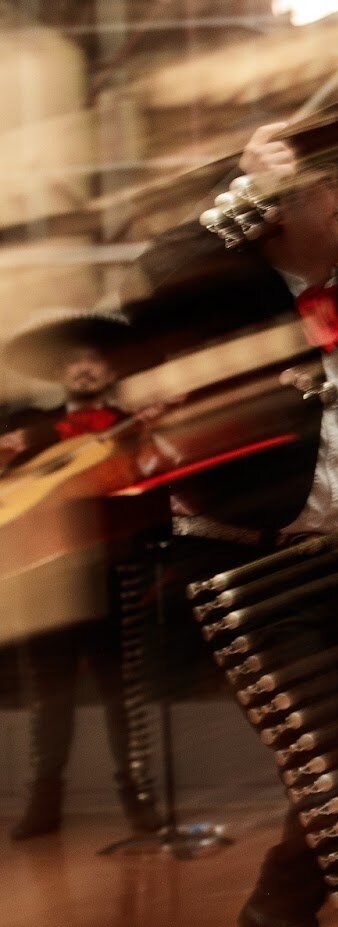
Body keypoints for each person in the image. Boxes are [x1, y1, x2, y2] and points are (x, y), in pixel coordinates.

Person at [124, 85, 338, 927]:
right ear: (280, 212)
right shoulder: (226, 297)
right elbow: (157, 269)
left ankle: (280, 906)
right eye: (332, 184)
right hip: (242, 565)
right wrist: (245, 187)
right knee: (331, 756)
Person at [1, 311, 162, 840]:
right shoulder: (29, 428)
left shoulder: (132, 426)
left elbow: (154, 490)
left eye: (95, 359)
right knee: (49, 696)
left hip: (114, 571)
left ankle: (137, 798)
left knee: (123, 692)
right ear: (59, 373)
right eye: (74, 362)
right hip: (46, 578)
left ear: (111, 368)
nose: (85, 369)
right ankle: (44, 803)